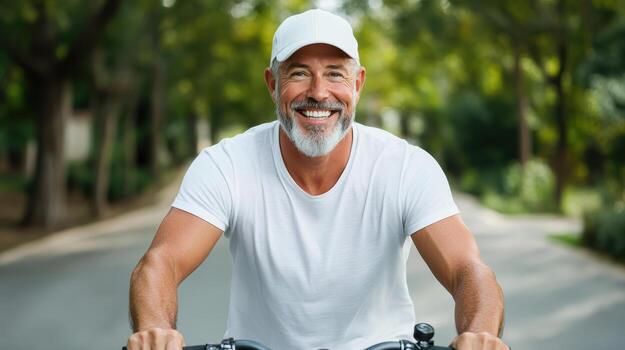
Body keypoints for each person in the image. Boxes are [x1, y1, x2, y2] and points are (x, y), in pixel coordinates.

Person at [127, 9, 509, 350]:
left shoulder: (405, 166)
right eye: (298, 73)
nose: (318, 92)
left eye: (334, 74)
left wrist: (481, 334)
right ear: (272, 85)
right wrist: (155, 329)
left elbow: (467, 269)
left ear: (357, 84)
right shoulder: (227, 164)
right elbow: (162, 261)